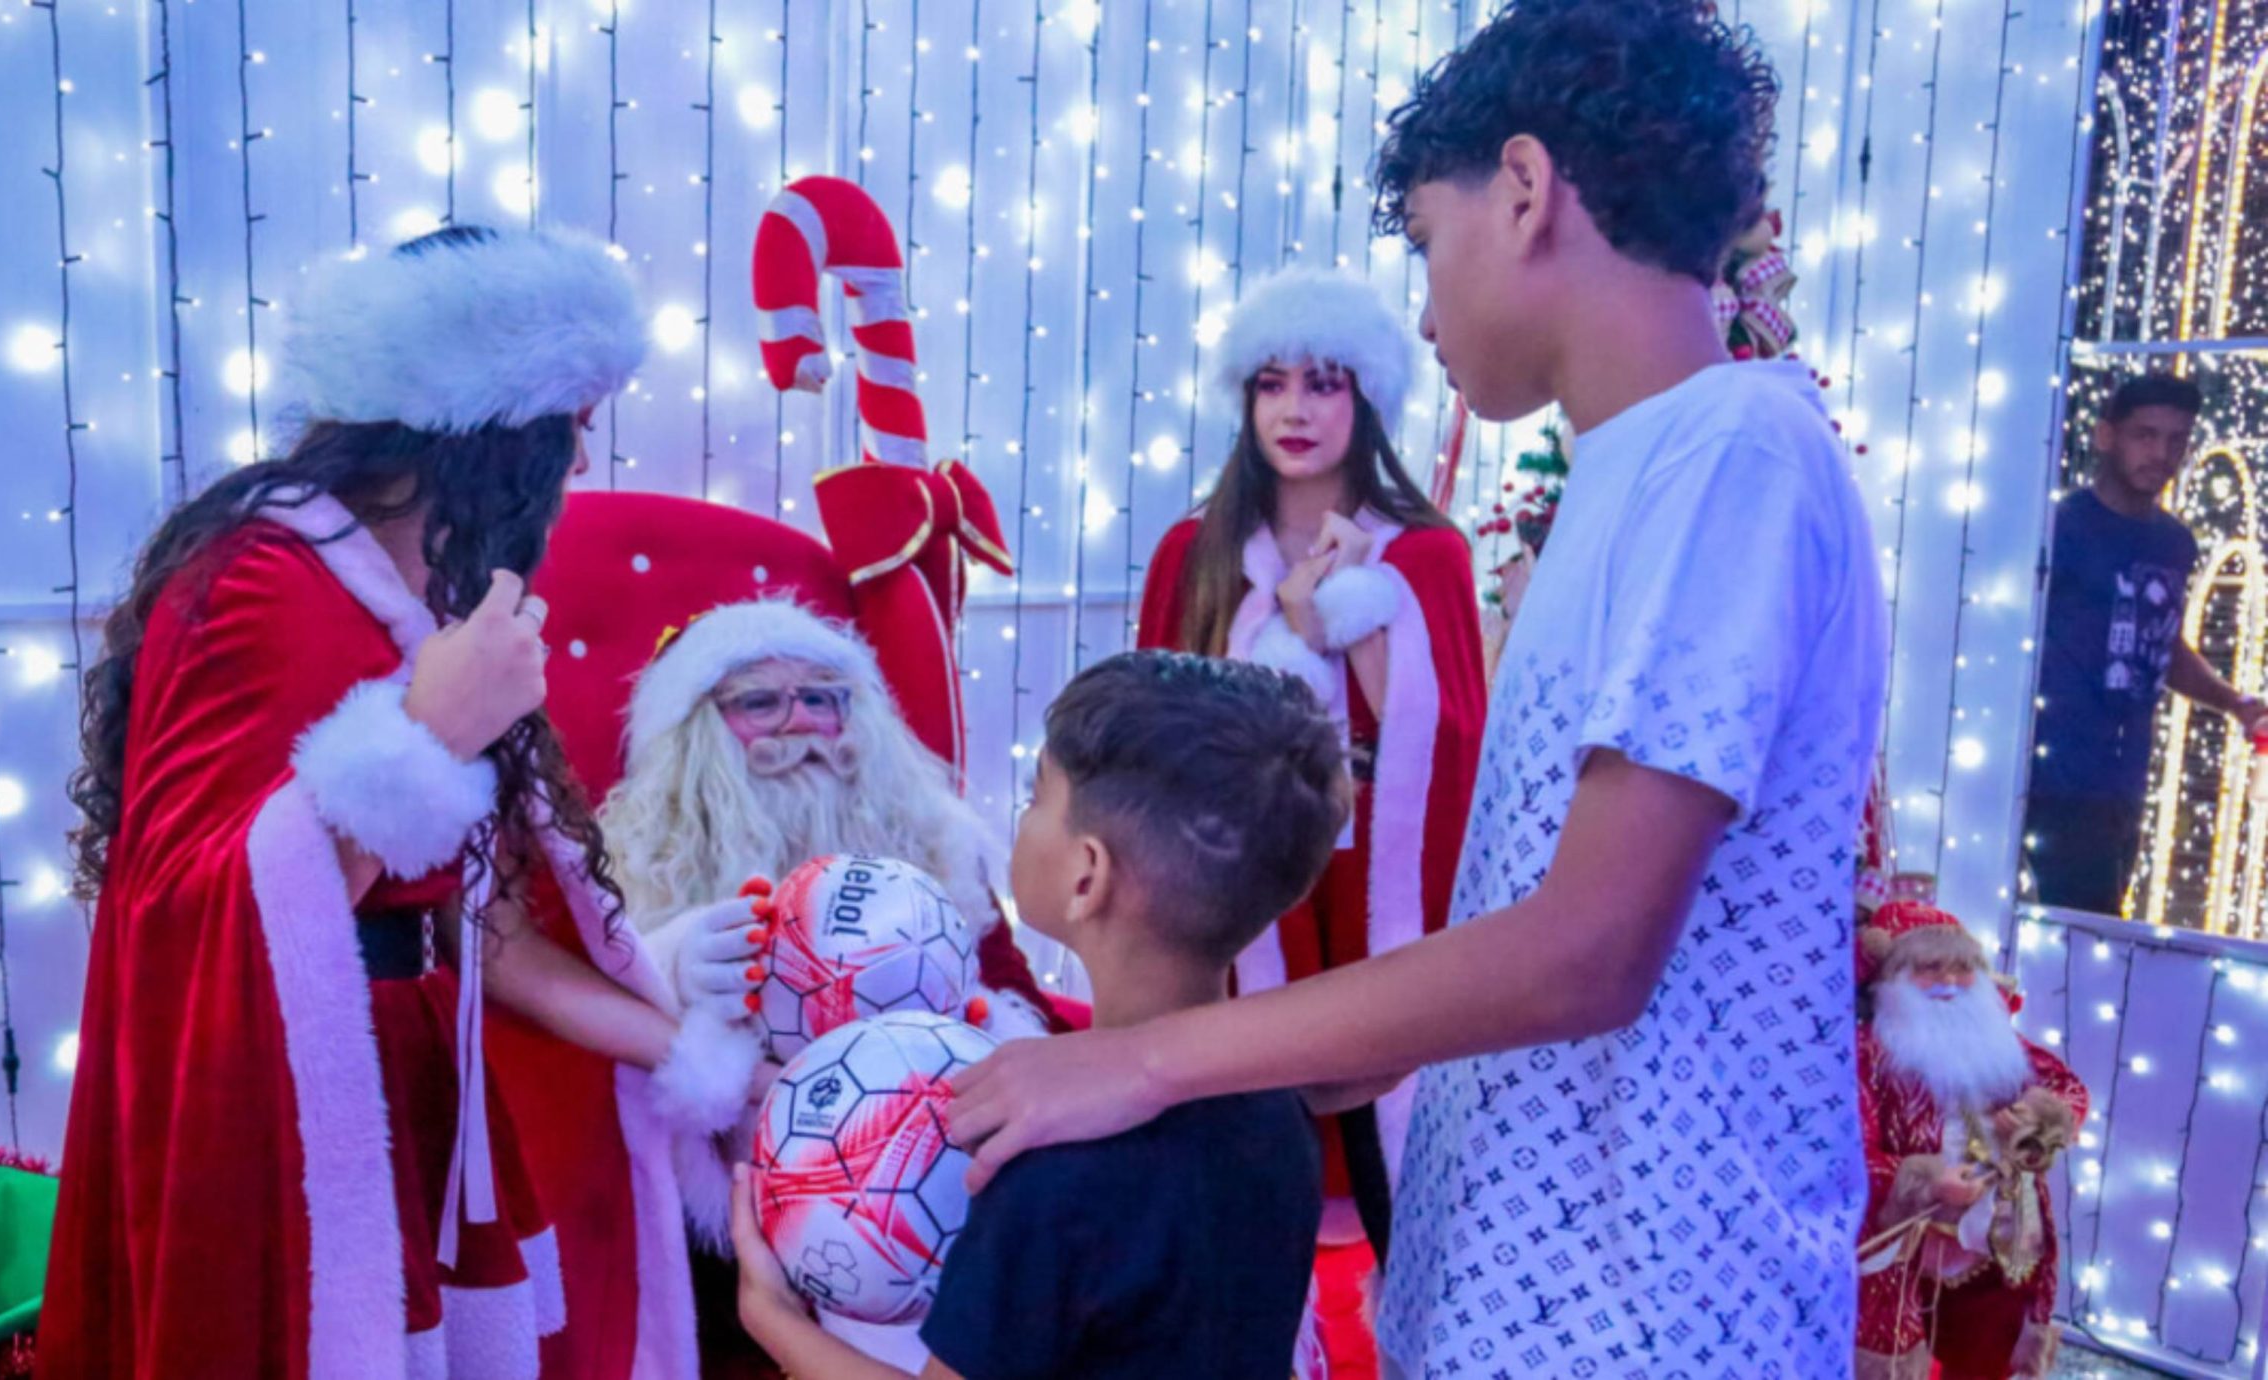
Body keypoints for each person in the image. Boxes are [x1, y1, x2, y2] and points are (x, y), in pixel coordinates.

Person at [946, 2, 1891, 1376]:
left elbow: (1591, 947)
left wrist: (1144, 1058)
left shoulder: (1729, 451)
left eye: (1428, 245)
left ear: (1523, 191)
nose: (1429, 309)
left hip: (1641, 1312)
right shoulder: (1631, 468)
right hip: (1528, 1283)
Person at [39, 225, 730, 1379]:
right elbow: (196, 907)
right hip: (284, 1113)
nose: (584, 448)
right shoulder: (255, 580)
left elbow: (487, 932)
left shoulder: (424, 593)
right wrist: (430, 735)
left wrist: (703, 1064)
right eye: (570, 416)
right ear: (492, 427)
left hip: (411, 1077)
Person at [730, 651, 1344, 1379]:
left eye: (1036, 797)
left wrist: (767, 1315)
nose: (1019, 818)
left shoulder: (1040, 1166)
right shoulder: (1273, 1104)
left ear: (1087, 875)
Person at [1134, 264, 1485, 1372]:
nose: (1296, 410)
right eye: (1273, 384)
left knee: (1394, 1130)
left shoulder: (1427, 553)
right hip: (1242, 894)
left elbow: (1456, 740)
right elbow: (1150, 734)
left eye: (1324, 385)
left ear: (1364, 402)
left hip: (1380, 889)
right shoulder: (1191, 557)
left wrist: (1329, 617)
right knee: (1252, 1148)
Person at [598, 597, 1069, 1376]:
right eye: (760, 701)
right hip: (719, 1223)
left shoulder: (938, 846)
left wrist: (978, 1035)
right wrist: (673, 968)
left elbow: (1018, 997)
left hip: (934, 1199)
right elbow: (589, 1044)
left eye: (823, 697)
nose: (800, 725)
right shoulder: (624, 866)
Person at [2024, 372, 2262, 916]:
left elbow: (2163, 644)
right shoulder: (2060, 527)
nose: (2162, 453)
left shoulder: (2174, 542)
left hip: (2122, 781)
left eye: (2177, 439)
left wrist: (2234, 702)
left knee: (2090, 939)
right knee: (2083, 937)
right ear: (2107, 436)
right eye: (2146, 435)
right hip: (2052, 773)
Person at [1853, 901, 2085, 1380]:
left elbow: (2067, 1090)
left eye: (1963, 967)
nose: (1950, 981)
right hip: (1904, 1252)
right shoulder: (1866, 1054)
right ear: (1891, 979)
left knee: (1986, 1359)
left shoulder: (2000, 1044)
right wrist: (1924, 1182)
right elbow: (1850, 1154)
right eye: (1930, 967)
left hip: (1998, 1243)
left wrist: (2034, 1119)